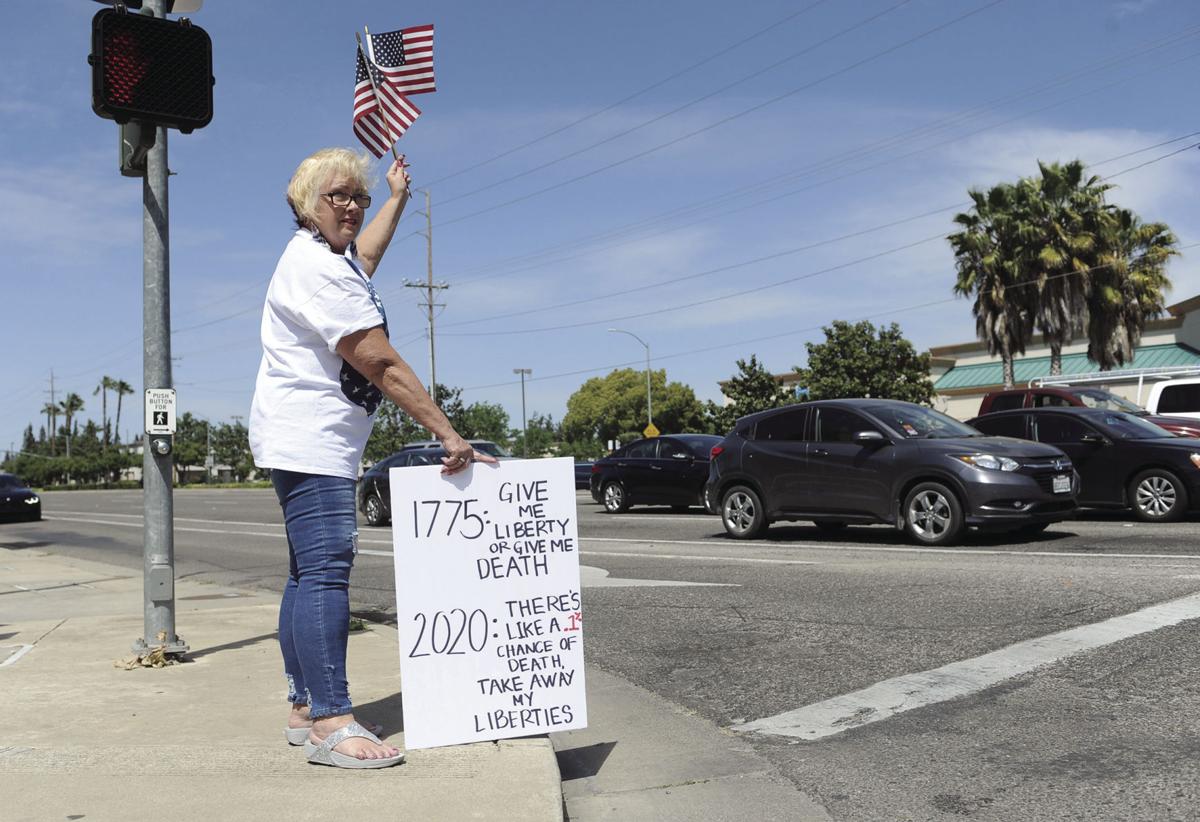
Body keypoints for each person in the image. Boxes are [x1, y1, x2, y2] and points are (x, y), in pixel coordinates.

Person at [249, 147, 497, 769]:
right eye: (339, 196)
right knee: (327, 571)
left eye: (357, 197)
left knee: (307, 573)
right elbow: (380, 363)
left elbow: (366, 256)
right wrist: (448, 434)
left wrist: (397, 198)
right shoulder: (322, 272)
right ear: (307, 205)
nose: (352, 207)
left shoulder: (326, 260)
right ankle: (333, 723)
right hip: (314, 442)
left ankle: (305, 708)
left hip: (303, 437)